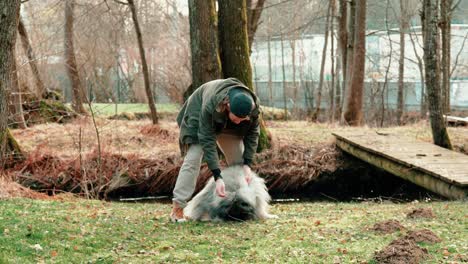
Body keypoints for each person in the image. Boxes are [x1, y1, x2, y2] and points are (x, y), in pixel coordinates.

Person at [170, 78, 260, 222]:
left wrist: (247, 164)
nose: (239, 121)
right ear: (228, 105)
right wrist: (217, 176)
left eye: (243, 119)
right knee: (193, 159)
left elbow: (253, 134)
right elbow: (207, 141)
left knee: (239, 160)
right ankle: (178, 208)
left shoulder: (252, 107)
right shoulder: (210, 105)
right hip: (199, 116)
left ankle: (244, 206)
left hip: (224, 121)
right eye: (237, 118)